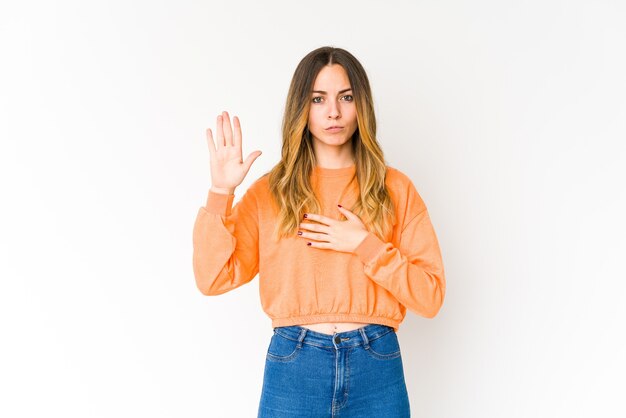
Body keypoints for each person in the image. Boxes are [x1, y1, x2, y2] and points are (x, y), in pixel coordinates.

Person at [192, 46, 446, 417]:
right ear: (302, 108)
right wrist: (220, 192)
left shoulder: (395, 188)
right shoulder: (270, 192)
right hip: (295, 364)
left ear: (362, 105)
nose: (333, 112)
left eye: (346, 97)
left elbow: (431, 296)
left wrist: (365, 245)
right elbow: (212, 279)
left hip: (376, 363)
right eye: (318, 99)